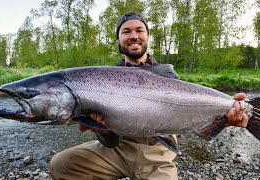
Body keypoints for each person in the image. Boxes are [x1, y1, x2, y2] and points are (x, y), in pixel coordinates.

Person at [48, 11, 249, 180]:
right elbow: (109, 143)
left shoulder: (168, 77)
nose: (133, 35)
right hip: (117, 151)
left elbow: (189, 121)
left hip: (158, 156)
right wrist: (103, 130)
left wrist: (225, 115)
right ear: (119, 40)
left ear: (147, 36)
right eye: (126, 31)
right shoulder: (102, 80)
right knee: (60, 165)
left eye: (139, 30)